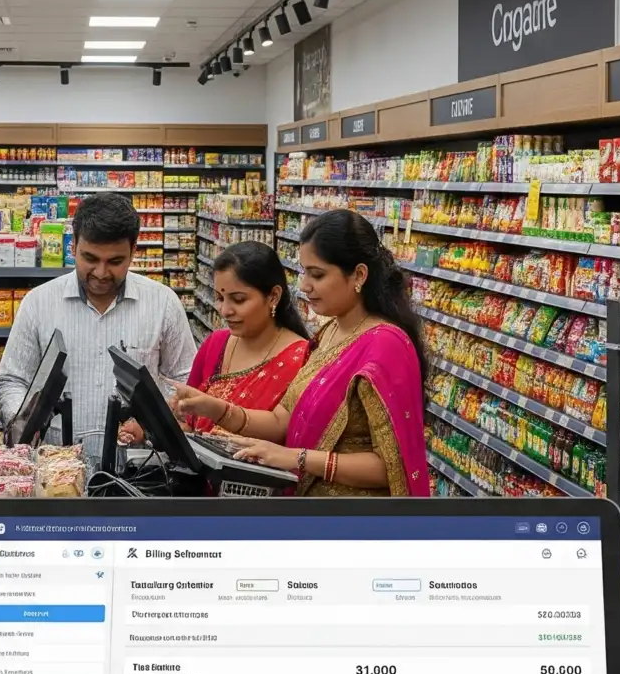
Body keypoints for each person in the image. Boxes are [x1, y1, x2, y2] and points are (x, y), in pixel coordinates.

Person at [171, 210, 430, 497]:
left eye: (317, 274)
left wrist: (298, 458)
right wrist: (214, 409)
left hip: (352, 518)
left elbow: (392, 467)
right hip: (307, 508)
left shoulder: (386, 345)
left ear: (358, 275)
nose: (304, 285)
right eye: (304, 272)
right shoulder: (329, 333)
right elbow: (281, 421)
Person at [0, 192, 197, 461]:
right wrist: (26, 424)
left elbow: (185, 380)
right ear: (73, 246)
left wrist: (152, 425)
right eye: (90, 258)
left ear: (133, 251)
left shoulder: (163, 303)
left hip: (139, 468)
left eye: (115, 261)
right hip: (55, 466)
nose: (101, 273)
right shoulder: (38, 303)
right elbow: (13, 379)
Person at [119, 241, 309, 445]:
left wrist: (218, 411)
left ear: (273, 296)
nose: (225, 310)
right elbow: (191, 427)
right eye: (219, 297)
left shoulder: (301, 359)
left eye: (239, 300)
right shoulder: (216, 344)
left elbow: (290, 436)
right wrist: (149, 430)